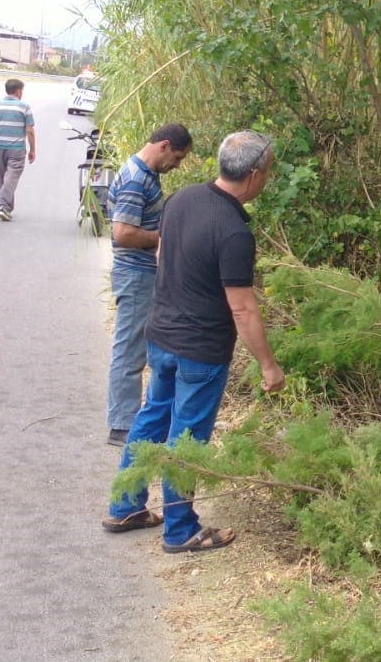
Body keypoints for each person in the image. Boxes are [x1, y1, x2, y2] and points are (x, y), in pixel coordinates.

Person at [101, 130, 286, 553]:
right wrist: (268, 366)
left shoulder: (180, 198)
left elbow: (165, 258)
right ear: (255, 176)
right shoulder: (235, 232)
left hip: (162, 336)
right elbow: (242, 309)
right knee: (188, 437)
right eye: (268, 174)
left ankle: (125, 505)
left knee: (151, 419)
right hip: (200, 351)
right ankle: (180, 529)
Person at [105, 123, 194, 447]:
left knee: (139, 348)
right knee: (129, 350)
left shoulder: (145, 175)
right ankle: (121, 426)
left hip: (144, 275)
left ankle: (132, 421)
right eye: (178, 157)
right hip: (135, 275)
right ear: (165, 146)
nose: (177, 165)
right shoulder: (135, 179)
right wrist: (166, 238)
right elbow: (123, 233)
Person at [0, 78, 36, 221]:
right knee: (11, 177)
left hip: (0, 147)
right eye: (22, 91)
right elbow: (30, 130)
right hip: (17, 149)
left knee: (3, 177)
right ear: (18, 91)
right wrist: (32, 150)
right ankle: (2, 205)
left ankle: (6, 209)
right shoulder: (24, 107)